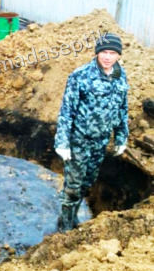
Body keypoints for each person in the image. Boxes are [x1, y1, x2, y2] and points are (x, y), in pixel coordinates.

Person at [54, 33, 129, 231]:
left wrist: (121, 137)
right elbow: (66, 111)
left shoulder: (121, 77)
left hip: (100, 142)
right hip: (80, 140)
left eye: (112, 53)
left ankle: (74, 218)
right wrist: (62, 142)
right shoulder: (80, 76)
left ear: (118, 56)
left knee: (88, 183)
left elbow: (122, 109)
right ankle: (65, 225)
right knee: (73, 187)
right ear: (97, 53)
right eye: (104, 51)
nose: (107, 56)